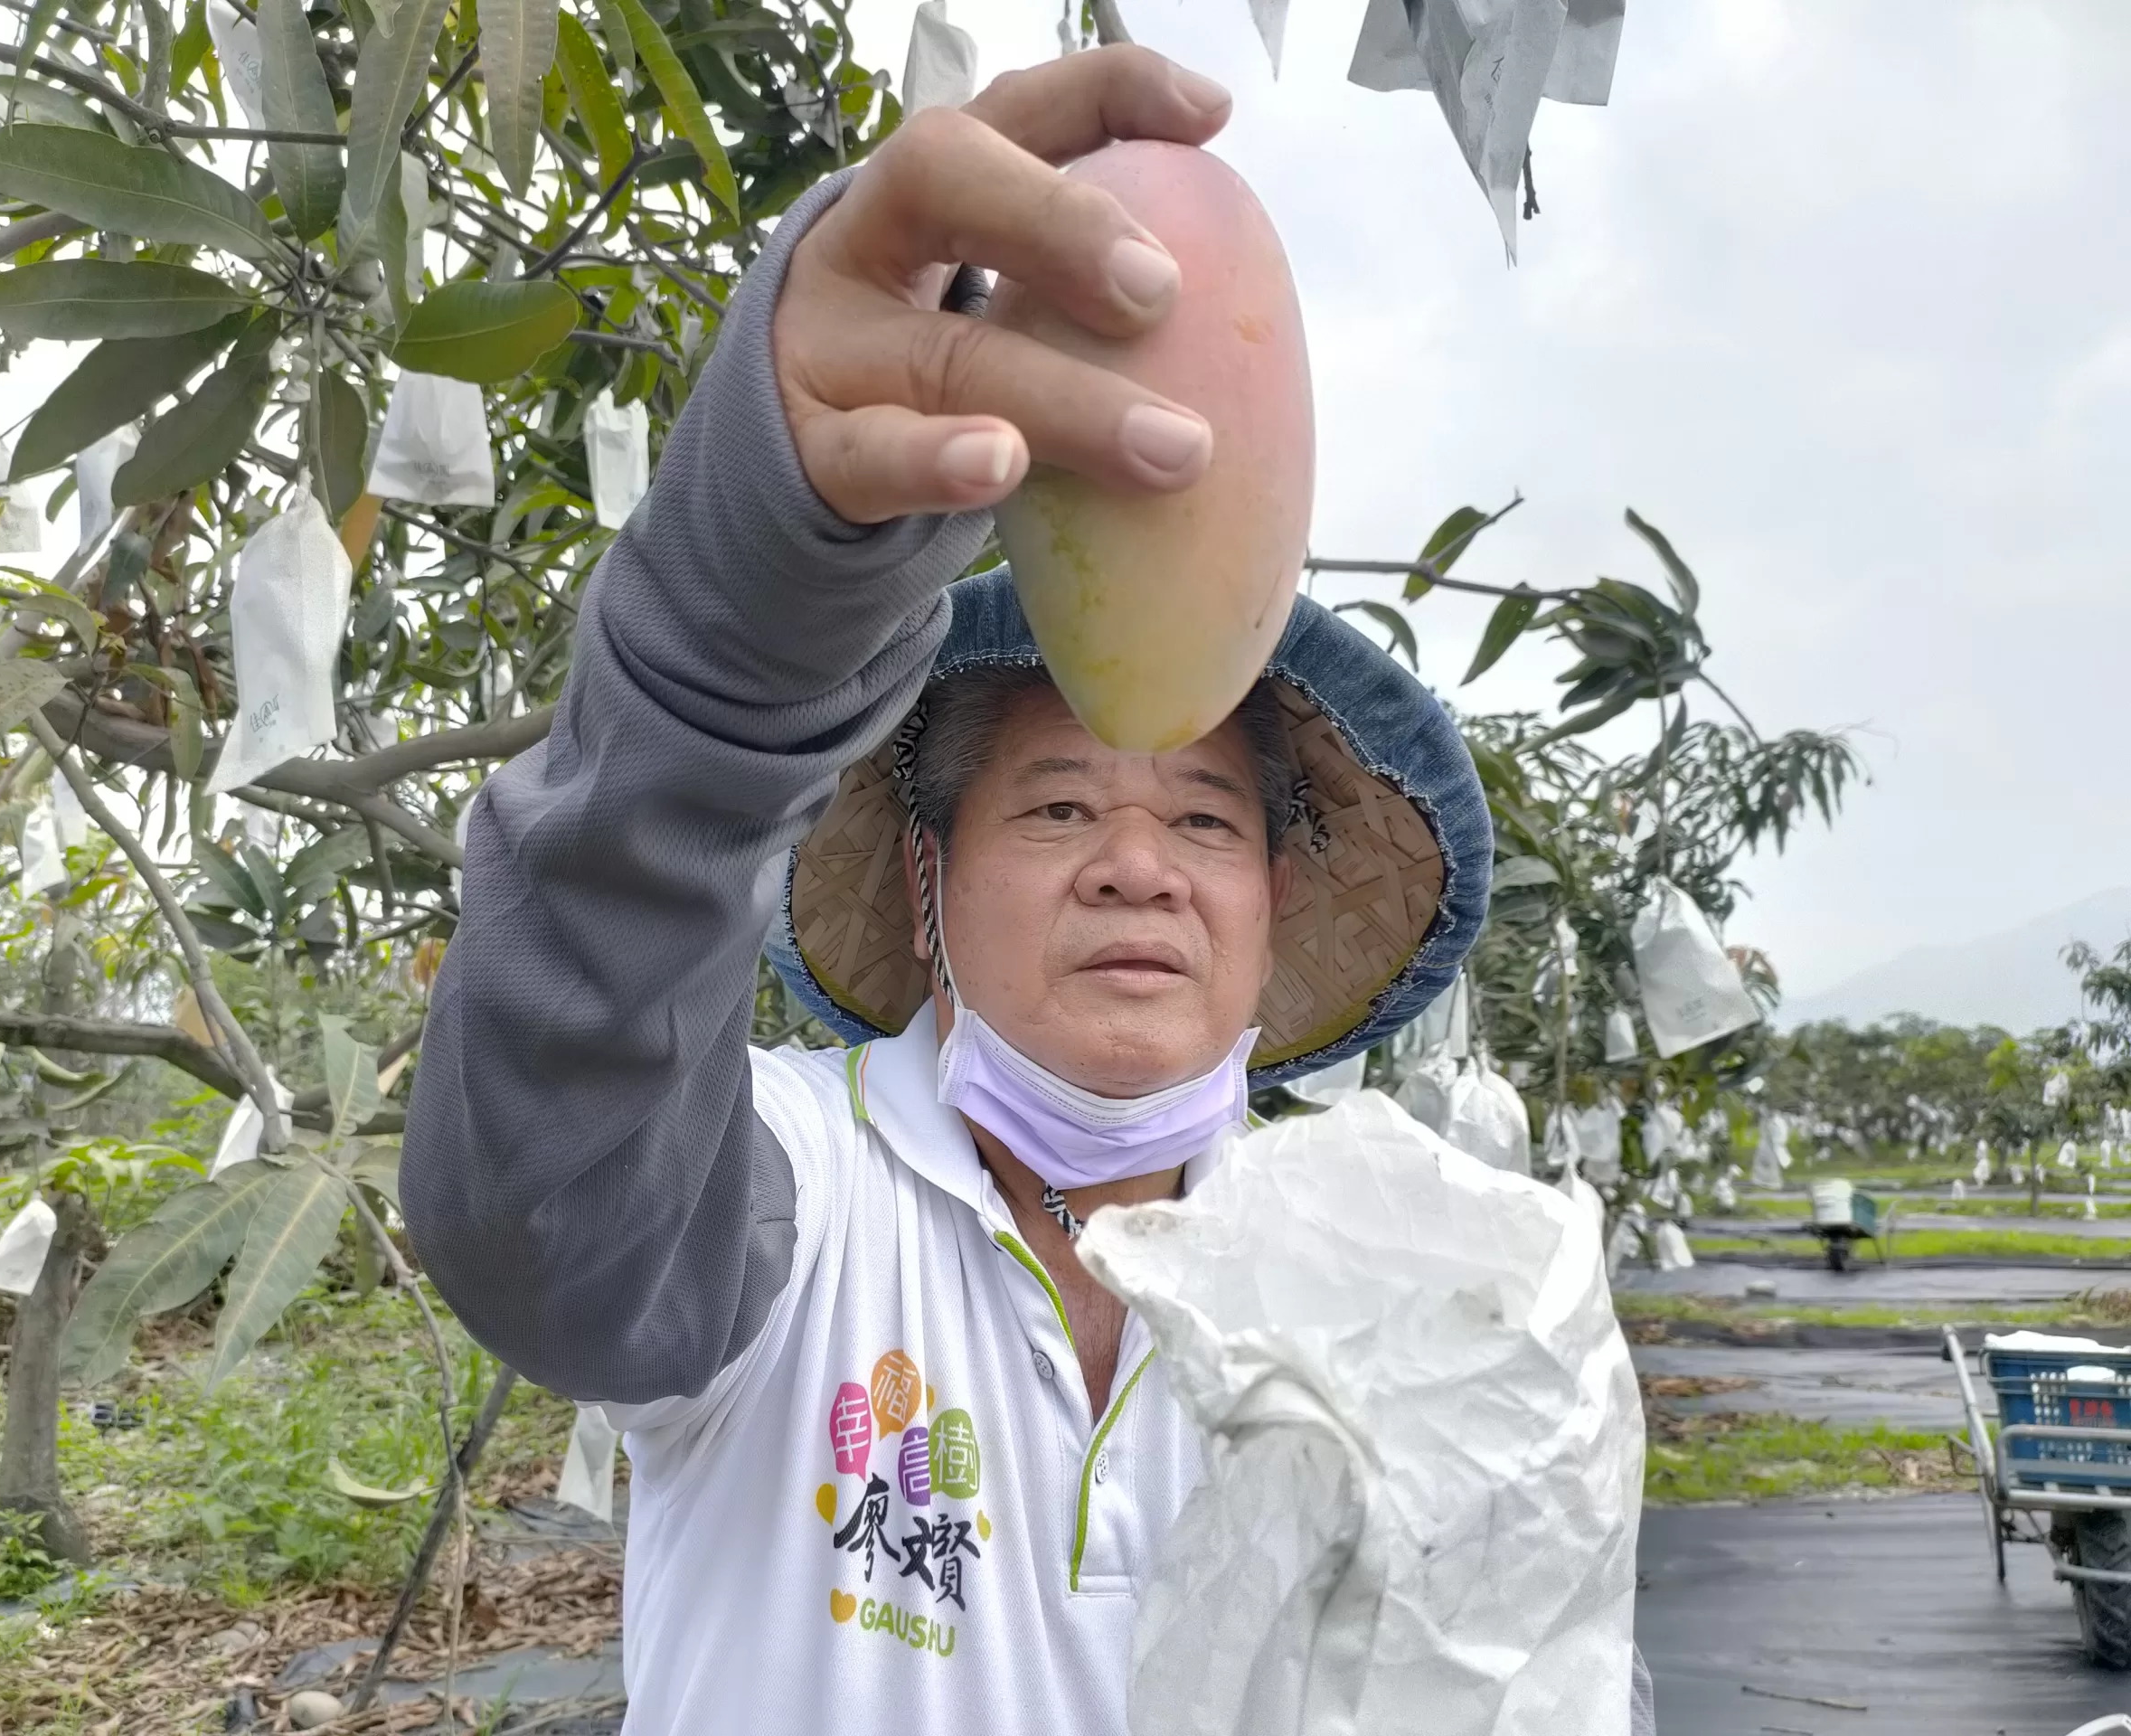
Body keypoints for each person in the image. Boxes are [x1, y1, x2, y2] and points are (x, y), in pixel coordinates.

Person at [401, 44, 1654, 1734]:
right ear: (928, 880)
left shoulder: (1384, 1286)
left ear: (1274, 906)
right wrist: (740, 618)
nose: (1140, 864)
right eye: (1058, 806)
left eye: (1209, 826)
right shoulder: (780, 1188)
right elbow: (541, 1221)